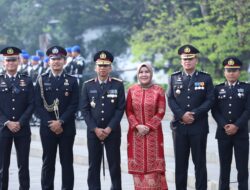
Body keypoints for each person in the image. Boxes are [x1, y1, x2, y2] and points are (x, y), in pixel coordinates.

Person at [167, 44, 214, 190]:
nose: (187, 61)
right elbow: (170, 99)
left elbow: (210, 100)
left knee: (199, 164)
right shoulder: (173, 78)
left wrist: (194, 113)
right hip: (180, 128)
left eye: (190, 58)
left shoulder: (205, 78)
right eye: (184, 59)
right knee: (180, 164)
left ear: (196, 60)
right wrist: (182, 115)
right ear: (181, 61)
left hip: (198, 126)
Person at [35, 46, 79, 190]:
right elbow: (37, 105)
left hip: (66, 128)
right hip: (47, 129)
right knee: (48, 162)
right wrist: (51, 123)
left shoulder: (72, 81)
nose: (56, 62)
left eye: (59, 59)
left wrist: (60, 122)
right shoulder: (41, 80)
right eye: (53, 59)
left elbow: (74, 105)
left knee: (66, 162)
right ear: (48, 61)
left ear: (64, 61)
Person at [81, 50, 125, 190]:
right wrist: (95, 128)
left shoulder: (118, 85)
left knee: (114, 165)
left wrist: (109, 128)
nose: (102, 68)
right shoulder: (87, 85)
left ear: (110, 68)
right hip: (94, 132)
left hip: (112, 131)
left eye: (106, 65)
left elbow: (120, 109)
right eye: (100, 65)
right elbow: (85, 109)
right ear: (95, 67)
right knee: (93, 165)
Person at [126, 63, 168, 190]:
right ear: (138, 74)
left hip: (153, 136)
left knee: (154, 173)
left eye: (147, 71)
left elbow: (161, 111)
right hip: (135, 135)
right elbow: (128, 111)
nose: (144, 74)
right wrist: (137, 125)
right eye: (141, 72)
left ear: (151, 73)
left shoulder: (159, 90)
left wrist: (148, 126)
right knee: (138, 174)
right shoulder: (132, 90)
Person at [212, 57, 250, 190]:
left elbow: (248, 109)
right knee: (224, 167)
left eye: (234, 70)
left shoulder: (247, 88)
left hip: (241, 134)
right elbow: (215, 110)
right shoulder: (218, 89)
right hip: (223, 134)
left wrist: (237, 125)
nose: (231, 73)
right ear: (224, 72)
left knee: (242, 168)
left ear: (239, 72)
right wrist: (224, 125)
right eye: (229, 70)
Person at [0, 47, 34, 190]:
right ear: (3, 63)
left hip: (22, 129)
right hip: (3, 129)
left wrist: (20, 122)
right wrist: (7, 122)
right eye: (8, 60)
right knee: (2, 167)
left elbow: (32, 104)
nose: (11, 63)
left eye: (14, 60)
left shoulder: (26, 80)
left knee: (23, 166)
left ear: (19, 61)